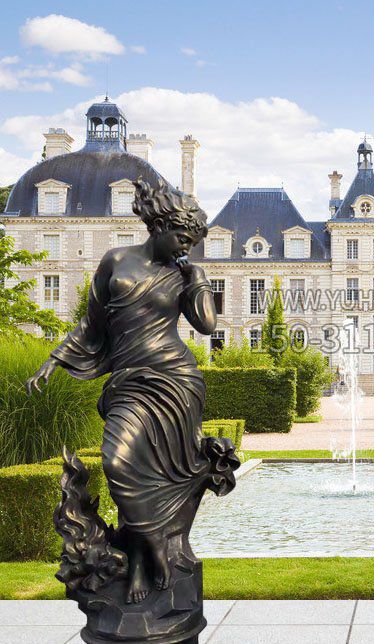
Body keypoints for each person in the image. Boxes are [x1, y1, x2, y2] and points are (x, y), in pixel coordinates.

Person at [27, 179, 229, 604]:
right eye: (182, 238)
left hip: (176, 382)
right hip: (129, 383)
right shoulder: (116, 260)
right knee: (119, 464)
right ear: (160, 225)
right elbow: (92, 322)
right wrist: (55, 358)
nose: (186, 248)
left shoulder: (183, 273)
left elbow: (207, 325)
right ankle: (155, 548)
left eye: (192, 242)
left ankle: (138, 566)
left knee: (158, 477)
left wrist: (198, 278)